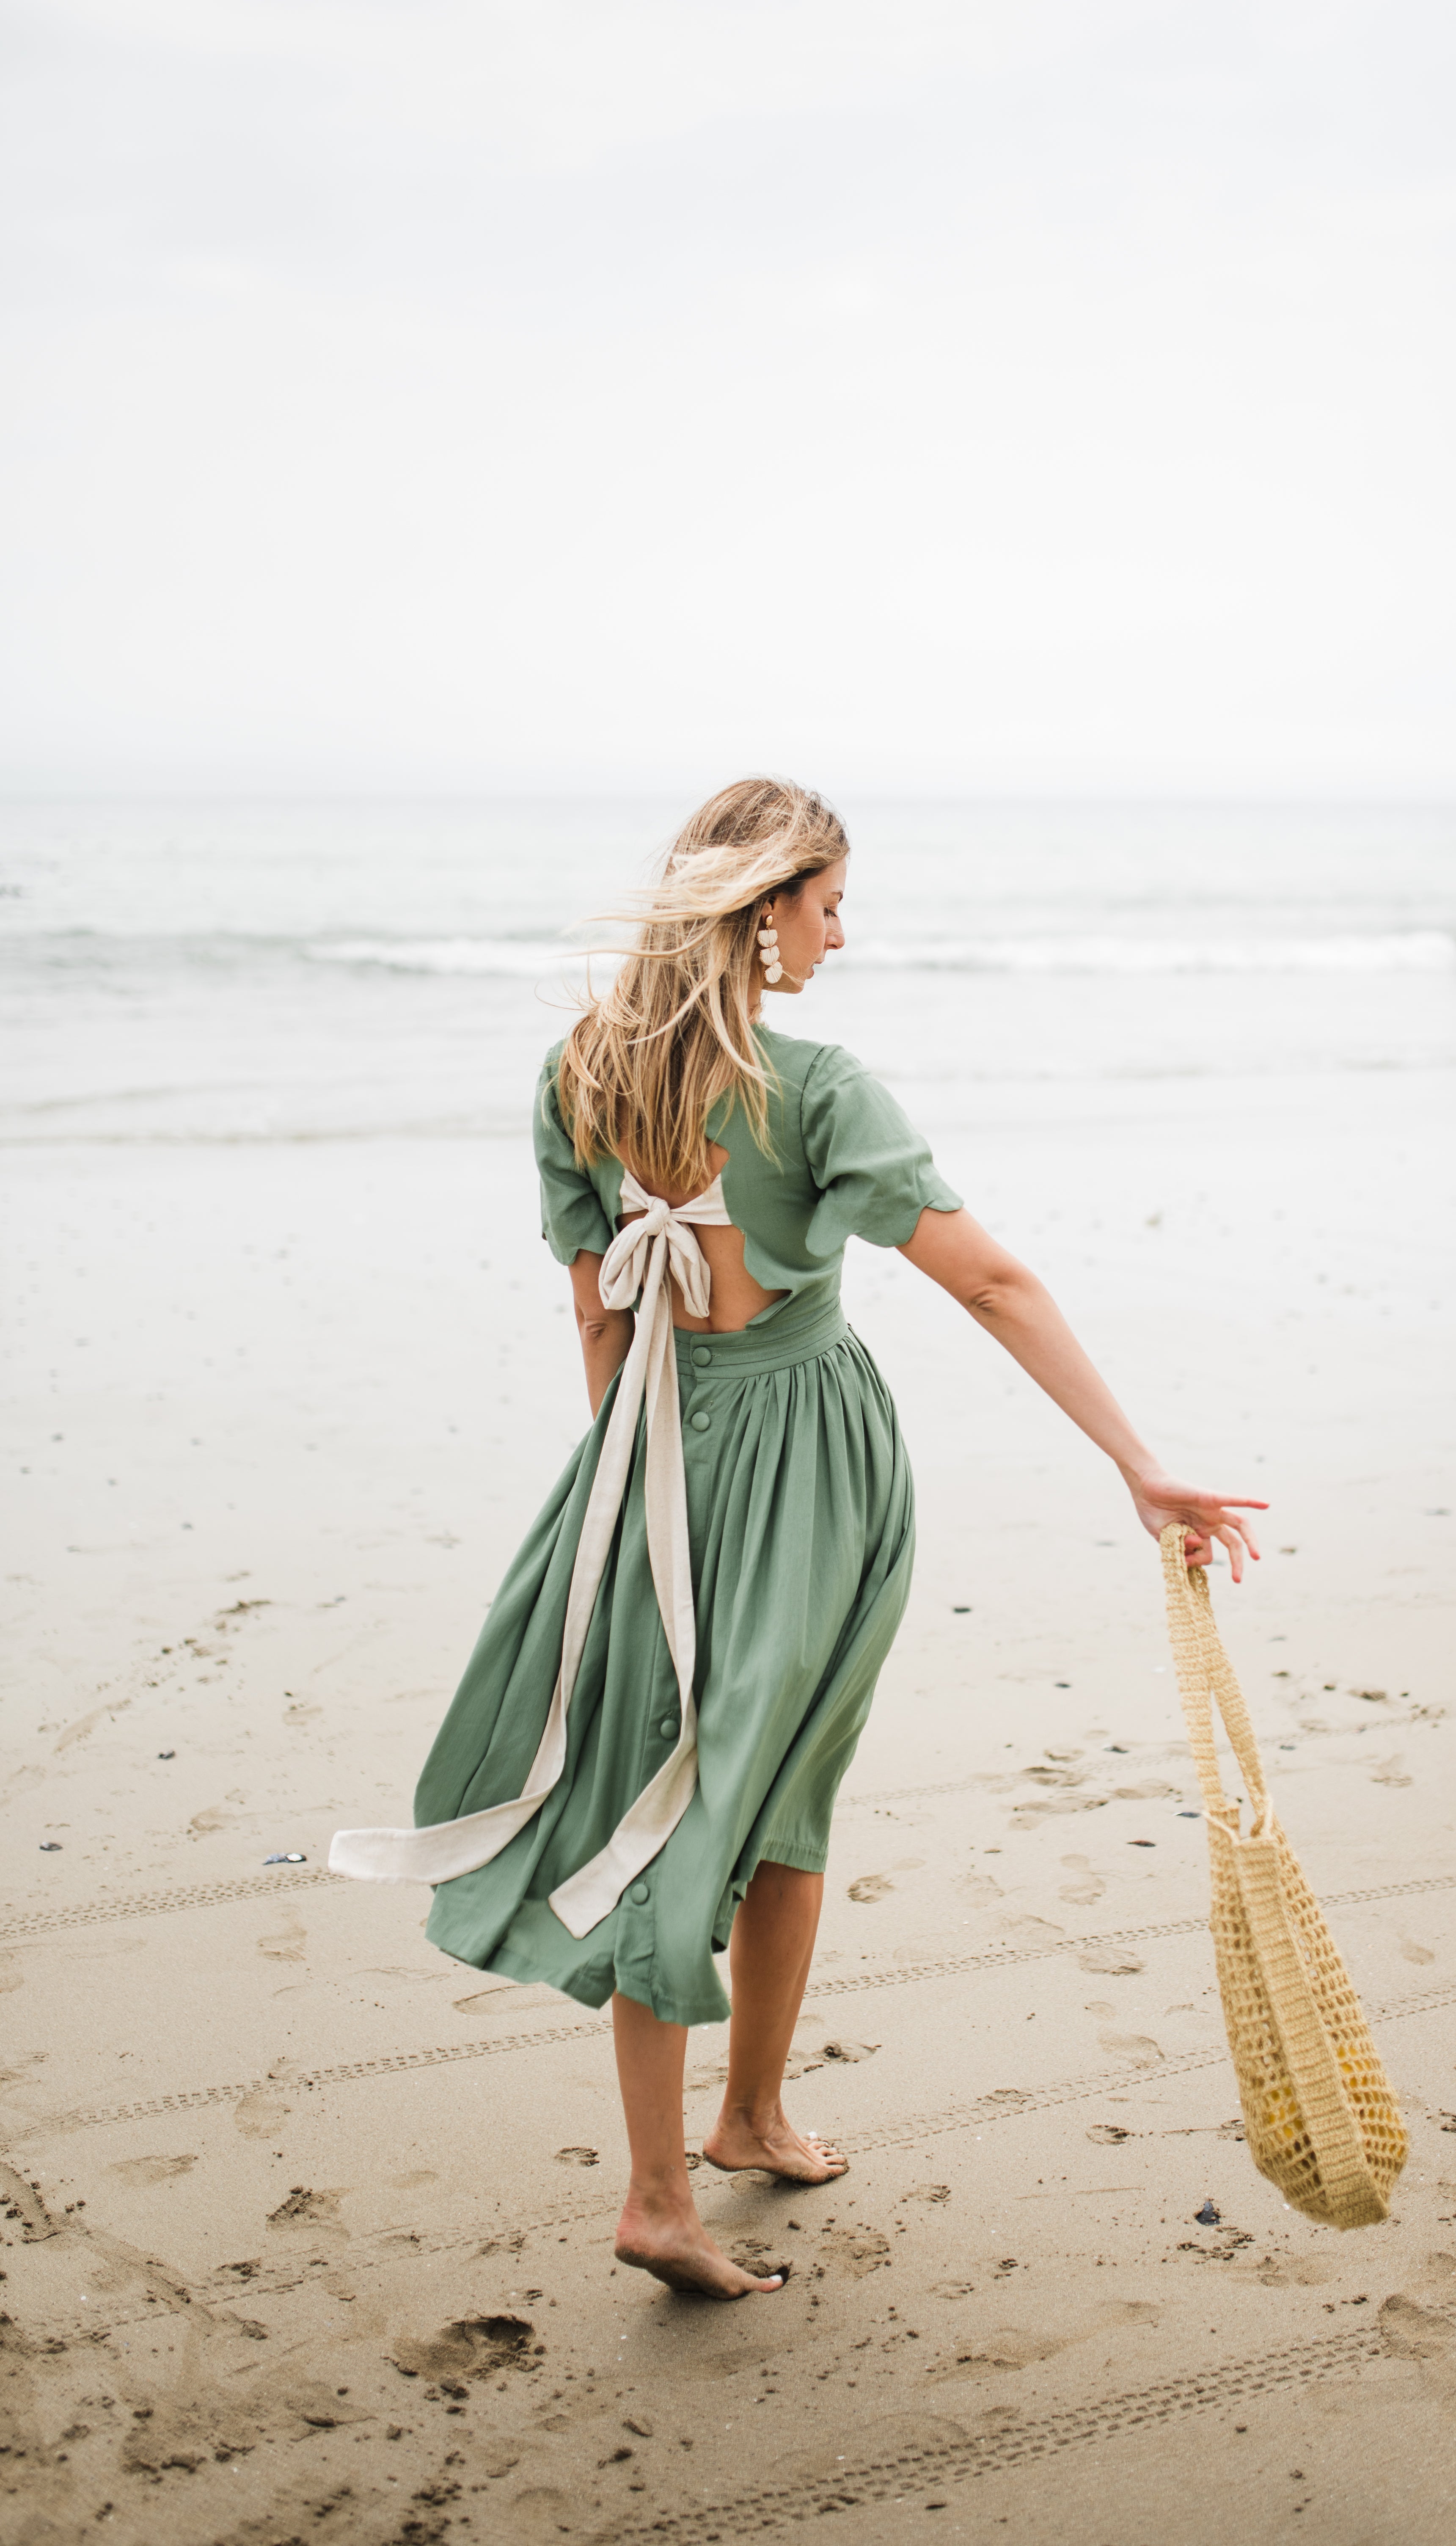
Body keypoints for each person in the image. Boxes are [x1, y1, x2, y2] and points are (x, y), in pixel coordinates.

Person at [331, 778, 1264, 2298]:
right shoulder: (817, 1088)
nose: (843, 930)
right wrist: (1140, 1465)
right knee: (748, 1802)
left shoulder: (579, 1074)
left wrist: (633, 1493)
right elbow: (996, 1286)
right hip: (815, 1468)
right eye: (829, 903)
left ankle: (748, 2118)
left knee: (704, 1783)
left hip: (647, 1463)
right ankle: (661, 2190)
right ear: (767, 910)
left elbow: (596, 1309)